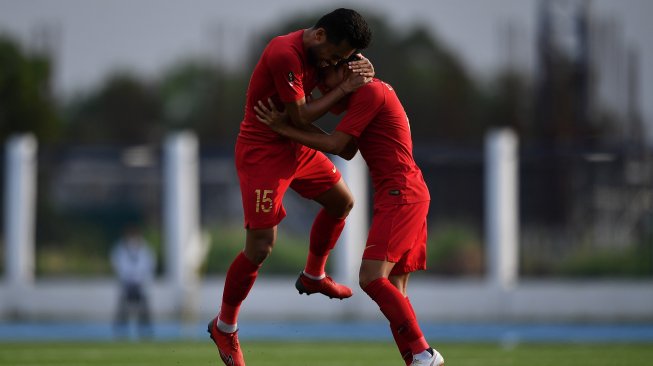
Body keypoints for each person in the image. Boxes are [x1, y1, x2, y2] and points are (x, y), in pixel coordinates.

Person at [207, 8, 374, 366]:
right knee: (261, 247)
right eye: (335, 56)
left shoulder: (328, 50)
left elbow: (338, 81)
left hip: (293, 145)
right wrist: (345, 85)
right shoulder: (286, 52)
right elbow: (299, 115)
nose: (334, 63)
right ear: (318, 36)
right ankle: (225, 326)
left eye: (342, 59)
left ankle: (314, 275)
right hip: (263, 152)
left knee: (341, 203)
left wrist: (364, 70)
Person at [254, 59, 445, 366]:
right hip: (405, 192)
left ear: (348, 69)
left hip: (401, 195)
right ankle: (415, 359)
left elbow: (335, 143)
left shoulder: (369, 93)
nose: (323, 84)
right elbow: (345, 148)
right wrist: (294, 117)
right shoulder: (367, 93)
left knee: (371, 278)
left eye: (327, 73)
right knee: (394, 288)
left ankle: (425, 353)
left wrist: (283, 128)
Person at [110, 226, 156, 339]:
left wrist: (141, 279)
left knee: (144, 311)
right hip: (127, 285)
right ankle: (120, 332)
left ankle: (146, 332)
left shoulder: (146, 250)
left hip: (140, 285)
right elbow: (118, 266)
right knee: (122, 310)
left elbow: (149, 266)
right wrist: (127, 279)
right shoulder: (120, 249)